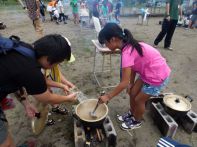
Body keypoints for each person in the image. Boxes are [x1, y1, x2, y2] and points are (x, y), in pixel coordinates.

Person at [0, 34, 77, 146]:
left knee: (5, 135)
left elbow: (18, 78)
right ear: (47, 59)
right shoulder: (30, 69)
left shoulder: (26, 49)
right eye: (56, 63)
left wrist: (26, 103)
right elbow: (45, 97)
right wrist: (67, 99)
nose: (55, 66)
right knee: (4, 143)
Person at [98, 23, 171, 130]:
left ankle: (137, 120)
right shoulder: (127, 46)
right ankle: (132, 113)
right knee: (132, 92)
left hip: (158, 76)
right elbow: (132, 68)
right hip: (148, 73)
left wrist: (108, 96)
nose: (106, 46)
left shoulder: (127, 52)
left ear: (113, 39)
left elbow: (123, 83)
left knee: (139, 100)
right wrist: (131, 83)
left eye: (105, 43)